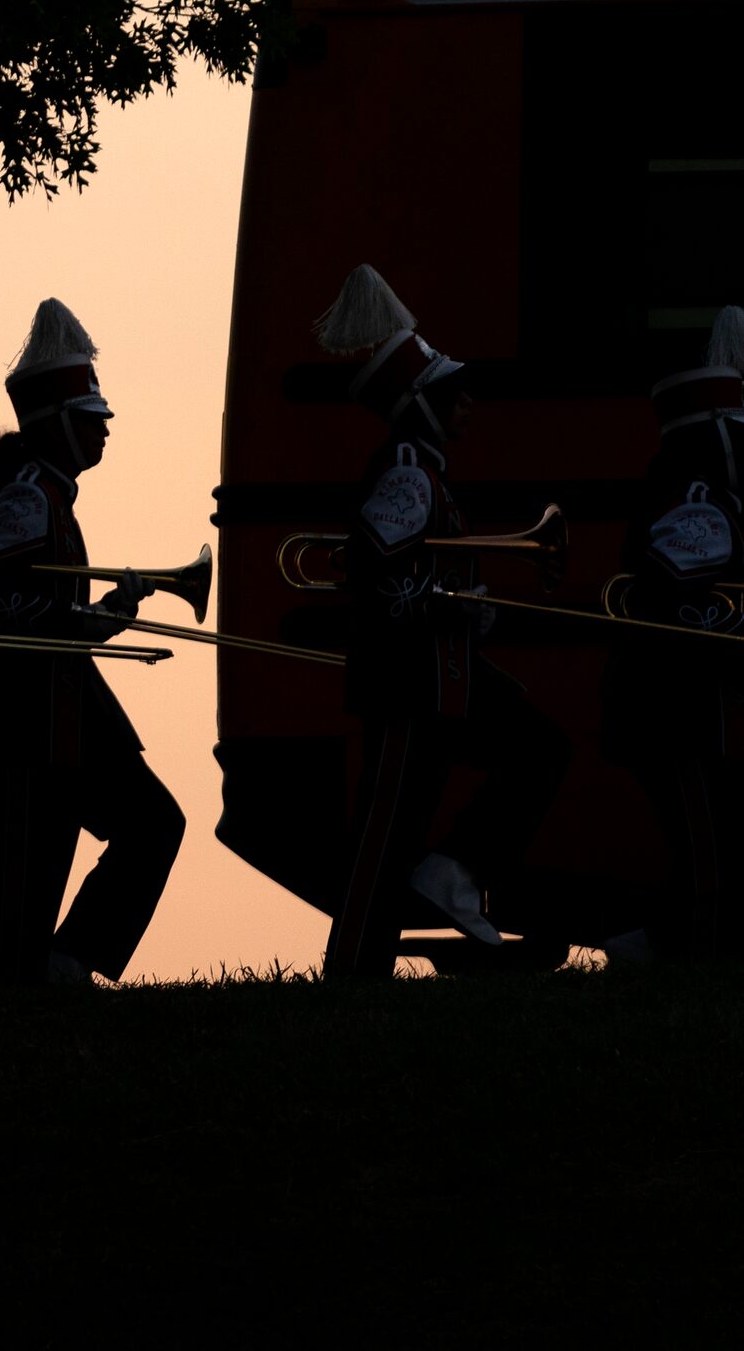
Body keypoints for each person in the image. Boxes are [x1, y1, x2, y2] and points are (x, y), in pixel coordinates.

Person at [312, 265, 568, 974]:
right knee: (383, 833)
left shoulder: (424, 470)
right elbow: (377, 577)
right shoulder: (404, 468)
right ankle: (351, 973)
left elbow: (414, 572)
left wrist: (471, 605)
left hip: (439, 678)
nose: (468, 406)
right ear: (421, 404)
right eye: (454, 395)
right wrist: (442, 600)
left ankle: (454, 871)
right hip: (405, 682)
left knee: (538, 749)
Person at [0, 298, 184, 990]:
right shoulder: (29, 498)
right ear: (55, 425)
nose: (103, 431)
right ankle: (32, 982)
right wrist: (100, 616)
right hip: (28, 713)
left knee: (151, 824)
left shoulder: (47, 496)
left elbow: (39, 612)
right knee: (24, 884)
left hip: (65, 706)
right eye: (90, 420)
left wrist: (108, 612)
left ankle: (65, 962)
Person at [604, 307, 744, 957]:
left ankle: (646, 949)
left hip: (685, 708)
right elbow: (694, 597)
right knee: (709, 854)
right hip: (676, 708)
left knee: (711, 845)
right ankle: (681, 958)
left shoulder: (697, 488)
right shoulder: (694, 495)